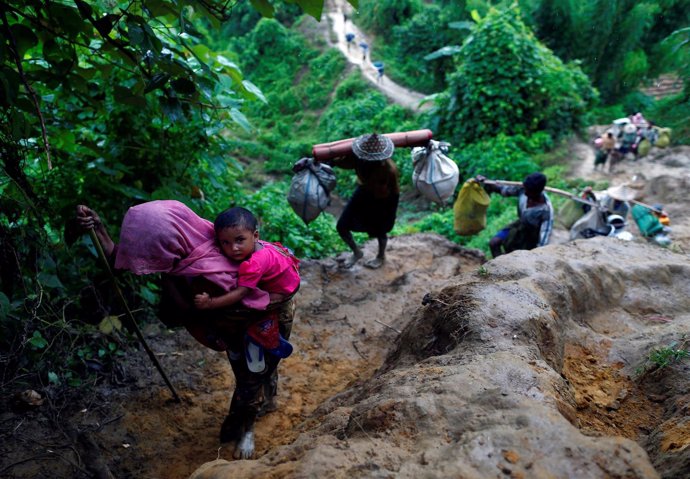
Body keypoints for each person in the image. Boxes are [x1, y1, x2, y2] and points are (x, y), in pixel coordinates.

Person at [74, 201, 297, 460]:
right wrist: (99, 228)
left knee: (254, 377)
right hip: (231, 330)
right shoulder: (183, 253)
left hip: (263, 322)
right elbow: (120, 260)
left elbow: (260, 297)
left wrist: (208, 307)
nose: (152, 262)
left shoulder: (219, 262)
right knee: (249, 374)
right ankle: (259, 399)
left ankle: (246, 425)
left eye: (156, 255)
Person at [320, 133, 400, 269]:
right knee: (342, 226)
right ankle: (357, 252)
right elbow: (346, 163)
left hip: (385, 198)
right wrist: (332, 161)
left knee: (380, 229)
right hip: (365, 191)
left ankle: (381, 256)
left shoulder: (387, 171)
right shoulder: (360, 159)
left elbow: (382, 193)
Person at [477, 172, 554, 258]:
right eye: (525, 190)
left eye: (529, 192)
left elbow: (544, 237)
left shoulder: (545, 210)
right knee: (494, 242)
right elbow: (502, 189)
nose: (526, 193)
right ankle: (498, 266)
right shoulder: (523, 189)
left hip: (531, 236)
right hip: (518, 225)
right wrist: (486, 182)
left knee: (517, 256)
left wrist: (536, 254)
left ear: (538, 192)